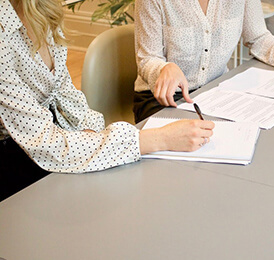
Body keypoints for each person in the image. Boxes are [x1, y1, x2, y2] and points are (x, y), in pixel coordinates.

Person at [0, 0, 215, 201]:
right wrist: (159, 139)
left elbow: (64, 93)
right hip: (16, 160)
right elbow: (46, 144)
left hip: (51, 139)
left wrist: (91, 132)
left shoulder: (43, 10)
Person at [133, 0, 274, 122]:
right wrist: (164, 69)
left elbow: (258, 37)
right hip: (162, 100)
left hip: (215, 93)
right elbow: (147, 58)